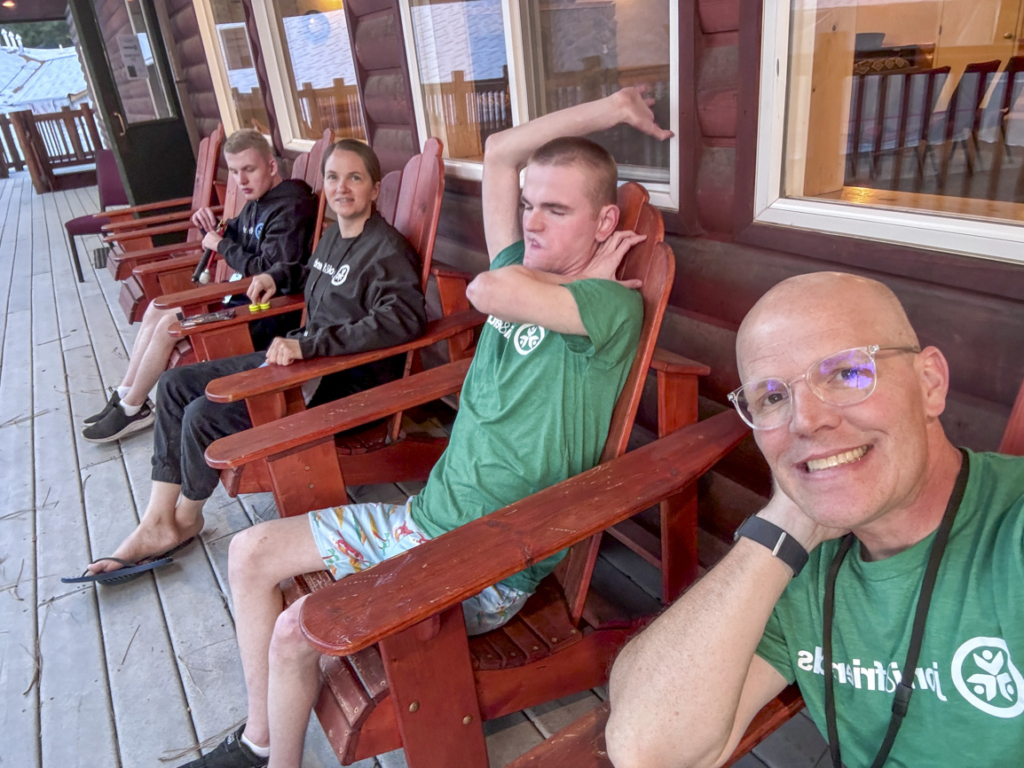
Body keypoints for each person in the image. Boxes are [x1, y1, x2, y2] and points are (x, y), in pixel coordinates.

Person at [174, 87, 673, 768]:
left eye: (557, 210)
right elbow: (500, 155)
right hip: (420, 523)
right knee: (248, 552)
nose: (532, 222)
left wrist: (576, 274)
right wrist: (613, 108)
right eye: (531, 205)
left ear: (605, 220)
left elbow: (484, 293)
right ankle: (261, 743)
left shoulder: (610, 306)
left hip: (484, 564)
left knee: (298, 630)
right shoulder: (531, 274)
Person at [605, 272, 1024, 768]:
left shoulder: (1008, 533)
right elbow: (647, 749)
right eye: (774, 397)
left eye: (846, 374)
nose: (806, 421)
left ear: (929, 383)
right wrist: (783, 523)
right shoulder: (798, 564)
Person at [73, 139, 427, 586]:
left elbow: (404, 321)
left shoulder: (386, 251)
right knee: (176, 385)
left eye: (355, 178)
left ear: (375, 189)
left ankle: (184, 518)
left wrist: (313, 346)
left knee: (205, 414)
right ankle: (160, 518)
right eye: (333, 177)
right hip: (296, 358)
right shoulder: (336, 236)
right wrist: (273, 275)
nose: (341, 188)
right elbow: (306, 273)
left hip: (335, 385)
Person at [82, 129, 319, 444]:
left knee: (170, 324)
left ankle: (133, 407)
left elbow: (276, 272)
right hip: (237, 301)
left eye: (249, 169)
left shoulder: (290, 204)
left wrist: (222, 246)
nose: (241, 180)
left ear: (272, 167)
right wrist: (213, 224)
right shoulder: (257, 202)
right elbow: (236, 232)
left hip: (264, 314)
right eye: (234, 172)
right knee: (158, 306)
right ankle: (126, 395)